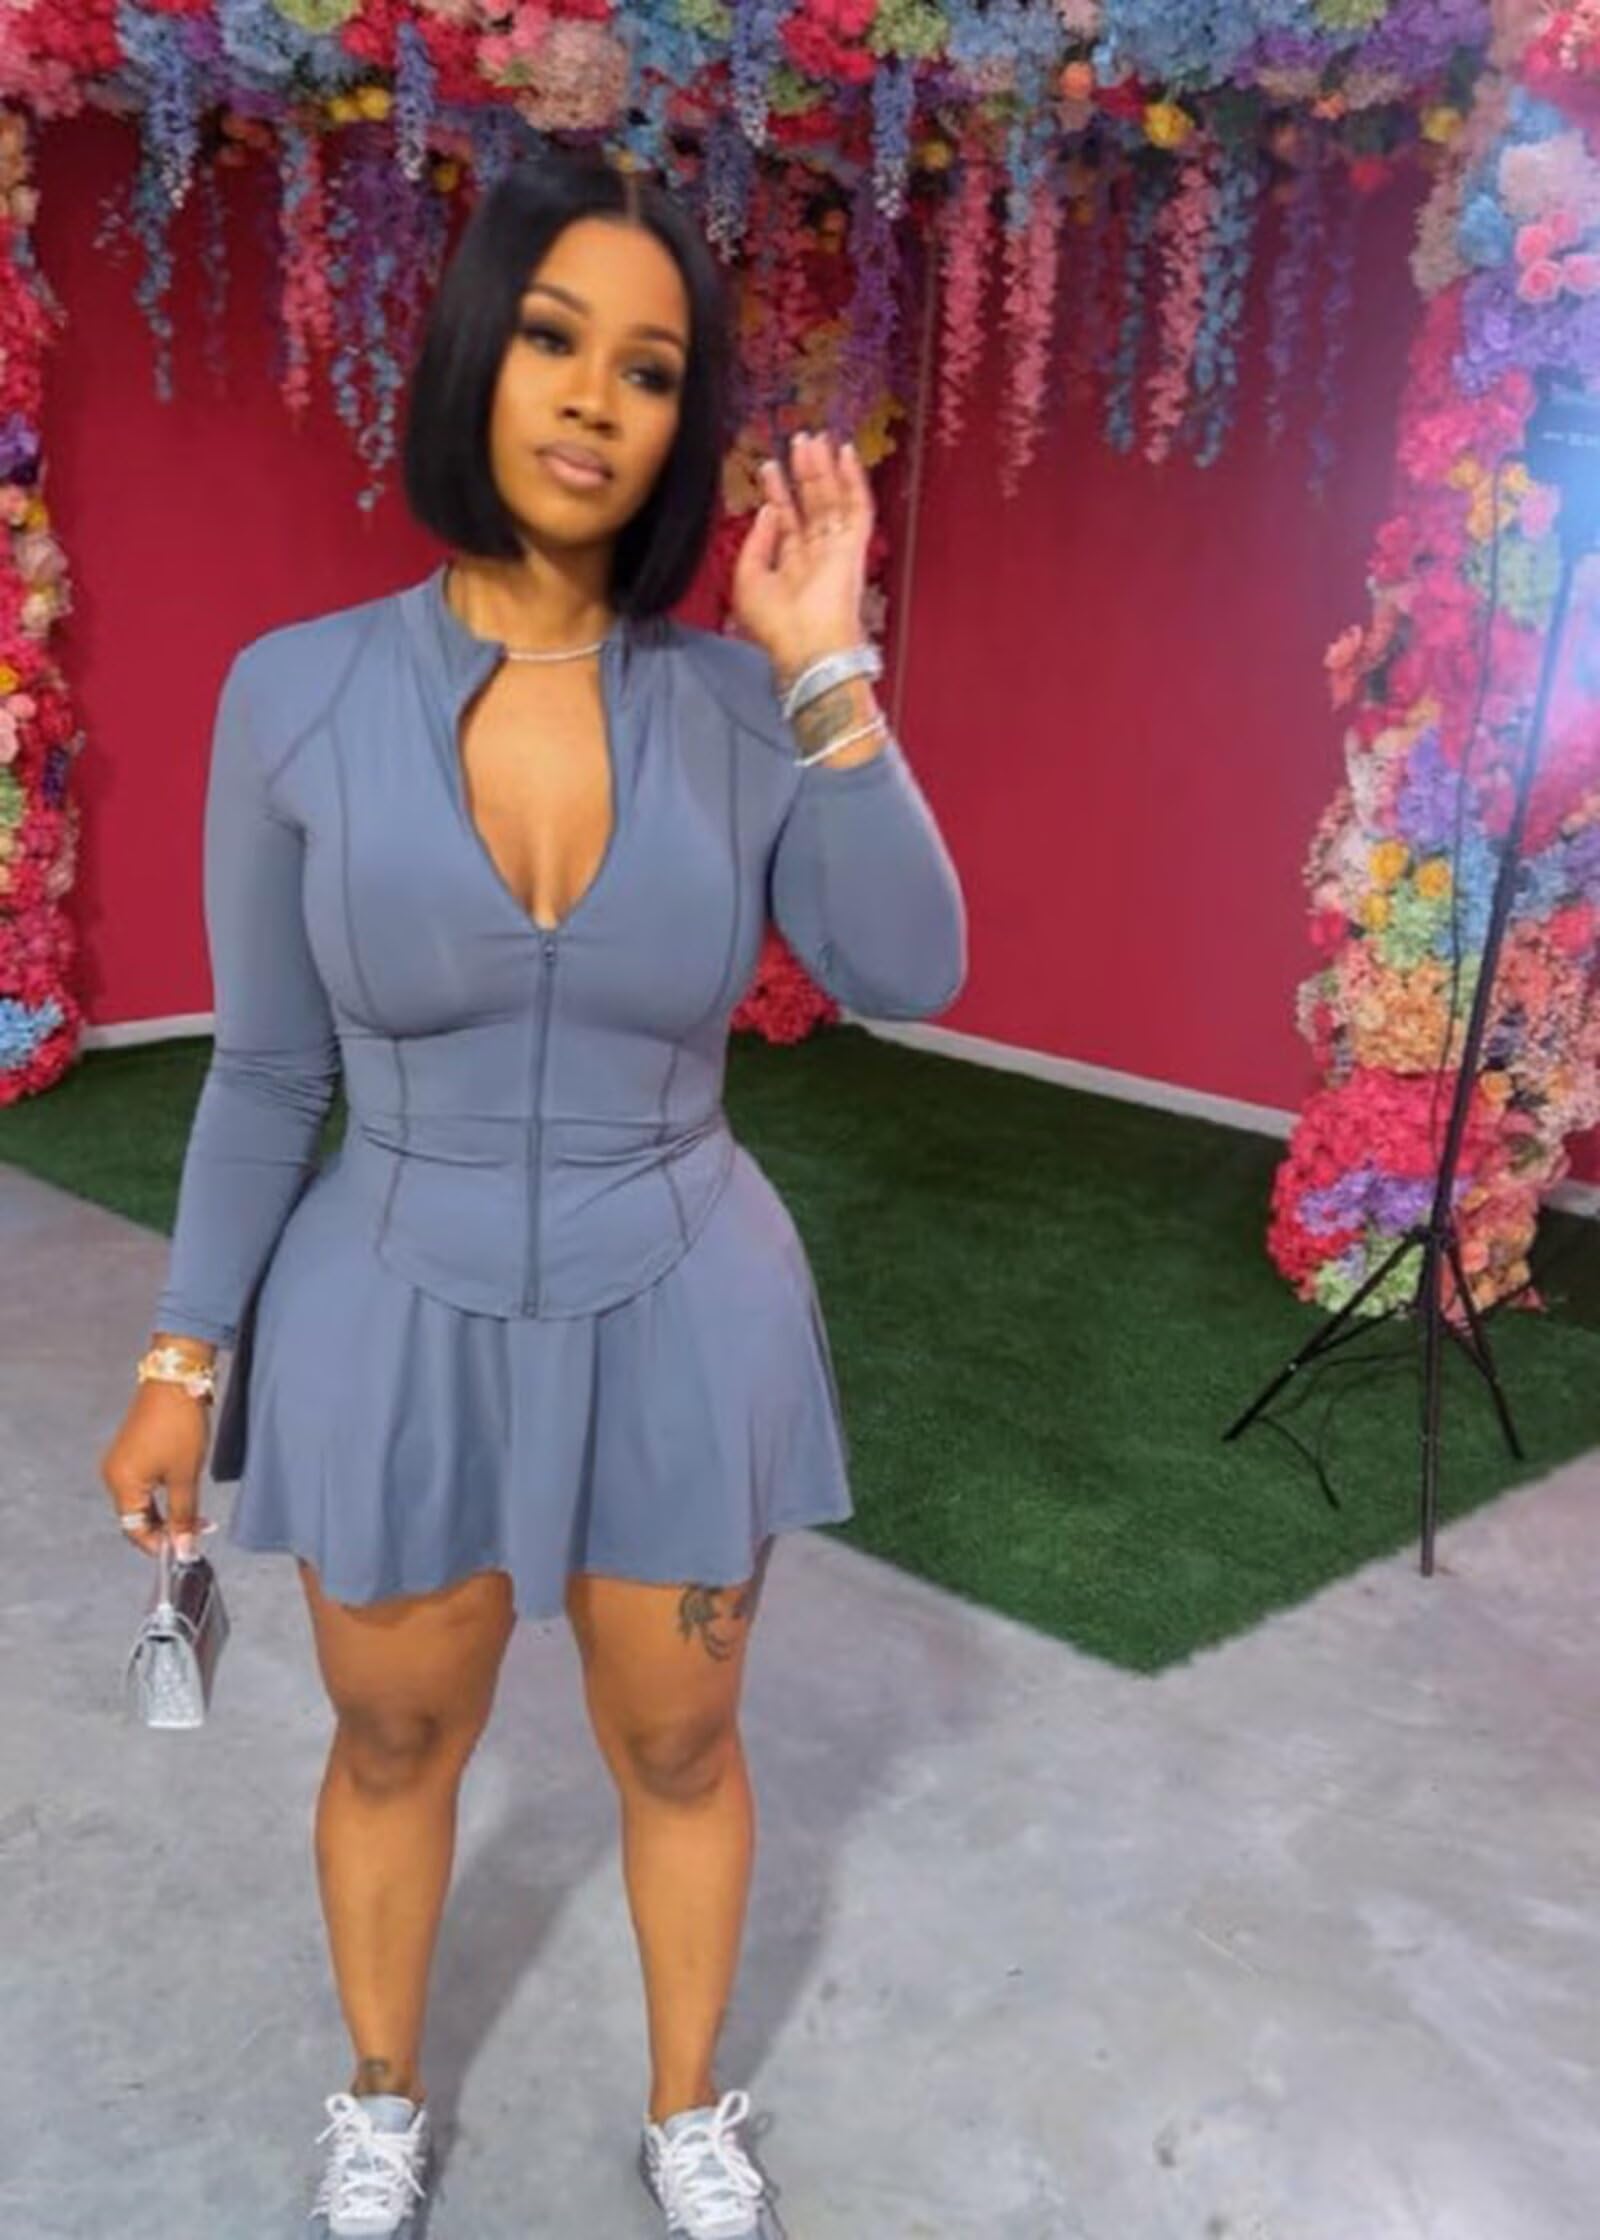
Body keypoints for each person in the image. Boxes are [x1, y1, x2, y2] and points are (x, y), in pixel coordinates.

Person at [99, 146, 966, 2240]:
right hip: (383, 1300)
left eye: (650, 369)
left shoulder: (744, 705)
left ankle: (688, 2110)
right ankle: (380, 2092)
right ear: (477, 356)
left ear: (682, 424)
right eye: (556, 340)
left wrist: (825, 668)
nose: (593, 397)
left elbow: (907, 967)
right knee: (396, 1740)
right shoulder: (294, 692)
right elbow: (268, 1068)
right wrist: (182, 1356)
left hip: (683, 1296)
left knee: (679, 1748)